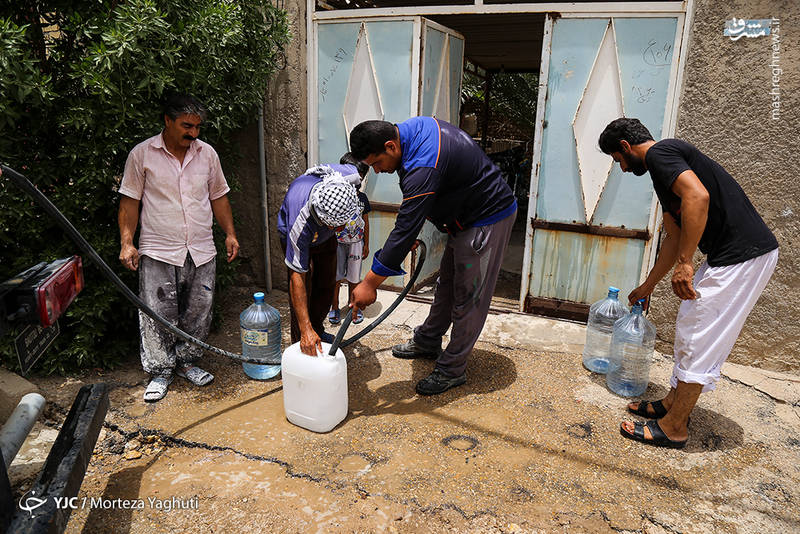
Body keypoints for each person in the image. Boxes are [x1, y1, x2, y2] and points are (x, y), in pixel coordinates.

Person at [598, 117, 779, 448]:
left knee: (700, 335)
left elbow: (698, 197)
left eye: (618, 159)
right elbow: (673, 236)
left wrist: (686, 262)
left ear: (625, 146)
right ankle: (671, 404)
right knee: (690, 324)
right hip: (728, 255)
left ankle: (675, 427)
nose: (622, 168)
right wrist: (648, 285)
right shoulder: (662, 174)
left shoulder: (660, 154)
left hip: (743, 254)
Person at [348, 117, 517, 396]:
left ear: (390, 146)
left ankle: (452, 369)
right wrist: (411, 231)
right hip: (462, 220)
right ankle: (428, 341)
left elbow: (405, 225)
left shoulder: (422, 163)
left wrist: (369, 283)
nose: (377, 171)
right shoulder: (411, 133)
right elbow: (428, 197)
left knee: (469, 297)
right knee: (446, 284)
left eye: (377, 163)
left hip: (486, 219)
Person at [118, 94, 240, 402]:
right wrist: (127, 242)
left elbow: (219, 197)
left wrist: (229, 233)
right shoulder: (142, 155)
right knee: (157, 313)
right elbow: (130, 201)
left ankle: (188, 363)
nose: (193, 133)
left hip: (201, 247)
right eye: (187, 126)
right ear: (168, 121)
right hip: (159, 248)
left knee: (199, 310)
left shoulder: (207, 154)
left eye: (197, 127)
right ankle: (160, 371)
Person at [277, 162, 362, 356]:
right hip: (297, 233)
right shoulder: (300, 224)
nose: (341, 230)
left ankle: (318, 330)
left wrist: (337, 225)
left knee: (326, 283)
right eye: (336, 226)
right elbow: (296, 277)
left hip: (325, 236)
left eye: (343, 224)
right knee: (304, 288)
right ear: (321, 217)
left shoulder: (348, 178)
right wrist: (305, 329)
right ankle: (302, 340)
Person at [328, 153, 370, 326]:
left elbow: (366, 221)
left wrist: (366, 244)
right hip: (337, 243)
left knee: (354, 277)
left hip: (356, 244)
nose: (358, 179)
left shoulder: (362, 198)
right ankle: (334, 306)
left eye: (361, 176)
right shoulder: (335, 196)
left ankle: (354, 306)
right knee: (336, 277)